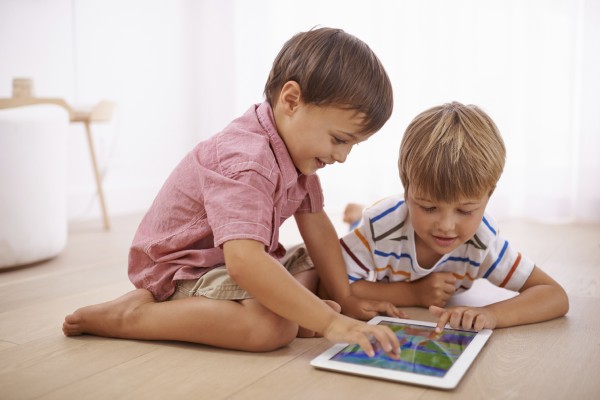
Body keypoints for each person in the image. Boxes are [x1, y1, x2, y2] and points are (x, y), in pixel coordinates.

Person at [62, 27, 404, 357]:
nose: (342, 157)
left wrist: (344, 297)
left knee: (326, 255)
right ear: (291, 100)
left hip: (232, 262)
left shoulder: (298, 155)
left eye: (352, 147)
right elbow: (244, 263)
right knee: (272, 328)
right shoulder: (246, 159)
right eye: (339, 140)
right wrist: (331, 322)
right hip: (182, 270)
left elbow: (315, 222)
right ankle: (133, 317)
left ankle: (296, 310)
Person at [340, 101, 569, 332]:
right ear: (407, 191)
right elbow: (335, 286)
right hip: (377, 223)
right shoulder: (381, 225)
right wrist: (413, 293)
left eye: (465, 211)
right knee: (363, 222)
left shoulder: (482, 239)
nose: (446, 226)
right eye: (428, 207)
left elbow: (554, 295)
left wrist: (492, 314)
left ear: (489, 196)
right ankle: (358, 215)